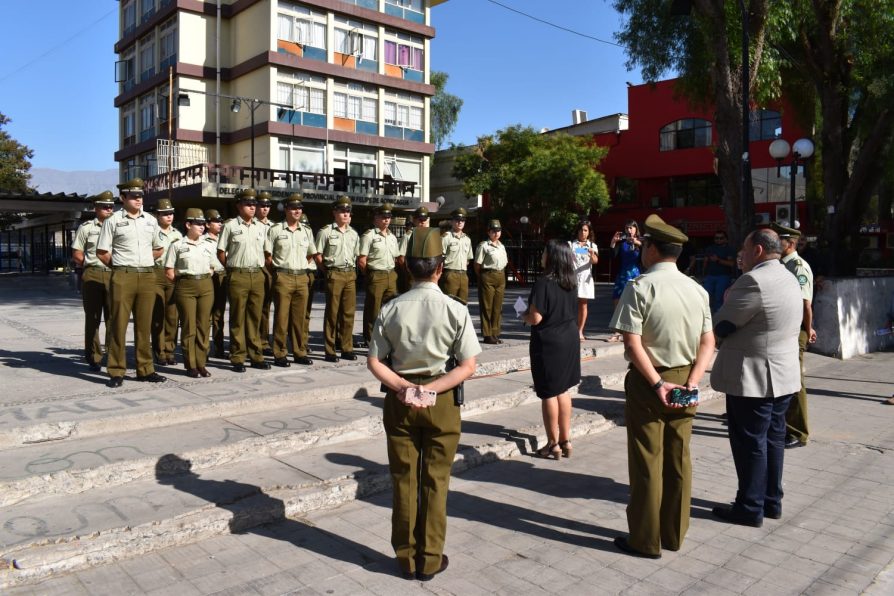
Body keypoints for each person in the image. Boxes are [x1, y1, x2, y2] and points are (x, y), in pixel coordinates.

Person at [367, 227, 481, 582]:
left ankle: (405, 557)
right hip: (441, 400)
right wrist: (430, 389)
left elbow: (374, 361)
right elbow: (468, 365)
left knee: (403, 479)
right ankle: (430, 558)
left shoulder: (391, 308)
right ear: (439, 268)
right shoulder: (454, 309)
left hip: (400, 400)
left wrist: (404, 387)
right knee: (436, 481)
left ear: (407, 267)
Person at [608, 214, 714, 559]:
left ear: (651, 248)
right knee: (679, 458)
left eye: (645, 244)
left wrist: (656, 384)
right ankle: (674, 533)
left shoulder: (640, 287)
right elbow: (708, 342)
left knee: (646, 460)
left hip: (649, 379)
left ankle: (645, 539)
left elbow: (631, 342)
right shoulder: (696, 289)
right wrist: (694, 381)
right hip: (686, 377)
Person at [711, 228, 802, 527]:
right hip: (783, 375)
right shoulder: (789, 276)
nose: (741, 255)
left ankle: (749, 506)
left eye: (745, 249)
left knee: (750, 442)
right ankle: (771, 501)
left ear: (758, 251)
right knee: (773, 439)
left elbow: (723, 324)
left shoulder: (753, 280)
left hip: (755, 377)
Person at [96, 178, 166, 388]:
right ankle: (116, 370)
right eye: (134, 196)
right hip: (122, 276)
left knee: (144, 326)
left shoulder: (151, 221)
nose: (138, 199)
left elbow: (159, 248)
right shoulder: (113, 221)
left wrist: (143, 260)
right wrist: (119, 267)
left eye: (140, 196)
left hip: (146, 275)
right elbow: (102, 252)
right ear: (123, 198)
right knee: (118, 324)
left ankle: (145, 369)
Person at [521, 239, 580, 459]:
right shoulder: (571, 280)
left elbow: (536, 318)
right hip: (569, 338)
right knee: (563, 390)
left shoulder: (544, 282)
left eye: (544, 251)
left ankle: (552, 443)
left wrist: (523, 315)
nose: (542, 255)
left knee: (548, 392)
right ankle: (566, 440)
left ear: (552, 256)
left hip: (549, 341)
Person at [772, 223, 817, 449]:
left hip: (795, 329)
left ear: (790, 244)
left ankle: (799, 433)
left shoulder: (798, 267)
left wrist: (808, 330)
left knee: (795, 382)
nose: (776, 243)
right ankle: (785, 427)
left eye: (780, 240)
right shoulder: (780, 265)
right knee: (786, 381)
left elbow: (805, 303)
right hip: (783, 329)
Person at [217, 188, 270, 372]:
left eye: (254, 204)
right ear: (239, 206)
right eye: (248, 204)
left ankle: (256, 355)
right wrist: (231, 268)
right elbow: (221, 252)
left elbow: (266, 252)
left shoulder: (261, 227)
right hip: (237, 274)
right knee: (237, 317)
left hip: (257, 274)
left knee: (255, 317)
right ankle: (238, 356)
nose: (252, 207)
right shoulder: (230, 226)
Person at [265, 193, 316, 367]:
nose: (297, 211)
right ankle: (279, 353)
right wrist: (280, 271)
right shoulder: (276, 230)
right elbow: (268, 256)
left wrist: (300, 266)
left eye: (299, 208)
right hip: (283, 276)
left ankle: (299, 351)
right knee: (281, 317)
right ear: (286, 209)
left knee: (299, 318)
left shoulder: (307, 231)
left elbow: (310, 254)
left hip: (302, 276)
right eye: (293, 208)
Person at [165, 209, 216, 378]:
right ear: (188, 225)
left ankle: (201, 363)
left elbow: (214, 266)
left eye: (203, 224)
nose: (202, 227)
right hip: (185, 286)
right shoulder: (177, 245)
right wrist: (182, 283)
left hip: (206, 286)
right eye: (198, 224)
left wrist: (207, 273)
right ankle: (191, 364)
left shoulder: (208, 244)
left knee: (203, 326)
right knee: (189, 326)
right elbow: (169, 270)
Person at [72, 191, 115, 372]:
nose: (108, 209)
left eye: (111, 206)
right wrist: (88, 267)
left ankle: (114, 355)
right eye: (105, 206)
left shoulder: (118, 226)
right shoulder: (87, 228)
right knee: (93, 318)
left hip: (114, 274)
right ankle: (94, 356)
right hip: (94, 274)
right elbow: (77, 252)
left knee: (114, 318)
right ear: (95, 208)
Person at [315, 196, 360, 362]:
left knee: (348, 313)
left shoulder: (354, 234)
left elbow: (356, 255)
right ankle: (330, 349)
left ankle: (346, 347)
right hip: (334, 273)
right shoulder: (326, 232)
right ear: (335, 212)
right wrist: (326, 271)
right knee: (332, 313)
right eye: (342, 211)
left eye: (348, 211)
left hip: (350, 274)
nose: (346, 214)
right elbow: (318, 255)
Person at [359, 203, 399, 347]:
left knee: (390, 310)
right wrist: (370, 275)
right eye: (383, 217)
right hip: (376, 275)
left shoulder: (392, 237)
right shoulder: (369, 236)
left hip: (390, 275)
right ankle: (370, 339)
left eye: (388, 217)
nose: (386, 220)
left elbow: (395, 258)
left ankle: (387, 338)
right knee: (373, 309)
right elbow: (362, 260)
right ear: (376, 218)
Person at [151, 198, 182, 366]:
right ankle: (159, 351)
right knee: (158, 315)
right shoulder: (151, 232)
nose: (169, 216)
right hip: (156, 273)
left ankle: (170, 350)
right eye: (164, 214)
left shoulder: (178, 234)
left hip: (173, 274)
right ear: (157, 215)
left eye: (171, 213)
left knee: (172, 315)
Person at [475, 219, 508, 344]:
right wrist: (483, 277)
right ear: (488, 232)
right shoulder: (484, 246)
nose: (496, 233)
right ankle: (487, 334)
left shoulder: (501, 246)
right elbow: (477, 265)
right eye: (493, 231)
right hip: (488, 275)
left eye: (498, 230)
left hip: (500, 276)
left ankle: (495, 333)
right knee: (487, 306)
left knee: (497, 307)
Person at [608, 220, 642, 342]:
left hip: (635, 275)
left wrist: (638, 243)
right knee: (617, 300)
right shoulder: (622, 242)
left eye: (631, 228)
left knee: (633, 304)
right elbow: (613, 256)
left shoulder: (642, 242)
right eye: (627, 228)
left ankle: (632, 331)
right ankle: (617, 331)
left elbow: (647, 256)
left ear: (636, 229)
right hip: (622, 275)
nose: (629, 230)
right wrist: (613, 242)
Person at [203, 209, 227, 358]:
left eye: (220, 221)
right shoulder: (201, 240)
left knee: (219, 315)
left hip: (222, 276)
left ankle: (219, 349)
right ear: (207, 224)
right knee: (206, 316)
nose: (219, 224)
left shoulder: (223, 239)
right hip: (208, 277)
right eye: (216, 221)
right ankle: (203, 350)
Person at [570, 221, 599, 341]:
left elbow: (595, 261)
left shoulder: (592, 245)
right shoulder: (571, 244)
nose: (583, 232)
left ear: (589, 232)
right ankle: (569, 330)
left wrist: (592, 255)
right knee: (569, 304)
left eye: (585, 230)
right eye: (581, 230)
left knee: (583, 304)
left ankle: (580, 331)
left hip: (585, 278)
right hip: (572, 277)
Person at [440, 208, 474, 303]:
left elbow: (468, 259)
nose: (460, 222)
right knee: (449, 304)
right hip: (450, 273)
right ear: (452, 221)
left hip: (463, 275)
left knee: (463, 304)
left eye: (462, 220)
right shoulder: (446, 237)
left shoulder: (467, 239)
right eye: (457, 220)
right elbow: (440, 257)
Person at [256, 191, 275, 355]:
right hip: (254, 268)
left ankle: (263, 341)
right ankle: (249, 341)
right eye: (262, 206)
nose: (265, 209)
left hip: (269, 270)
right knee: (251, 308)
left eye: (268, 206)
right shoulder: (249, 224)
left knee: (265, 308)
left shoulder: (273, 227)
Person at [701, 229, 736, 313]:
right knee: (706, 297)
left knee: (719, 298)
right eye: (717, 238)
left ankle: (718, 317)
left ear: (726, 239)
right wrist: (703, 275)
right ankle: (707, 315)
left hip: (723, 276)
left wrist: (718, 260)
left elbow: (731, 264)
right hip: (710, 276)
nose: (718, 240)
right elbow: (705, 262)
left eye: (721, 238)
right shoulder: (710, 248)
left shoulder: (729, 249)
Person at [397, 207, 430, 294]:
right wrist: (408, 273)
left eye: (424, 219)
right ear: (414, 220)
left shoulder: (429, 236)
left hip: (427, 275)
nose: (422, 222)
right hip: (413, 275)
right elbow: (401, 258)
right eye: (420, 219)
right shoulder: (407, 236)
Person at [300, 212, 316, 353]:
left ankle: (303, 342)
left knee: (306, 313)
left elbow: (311, 254)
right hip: (297, 273)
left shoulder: (308, 233)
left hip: (308, 273)